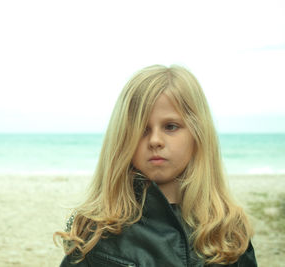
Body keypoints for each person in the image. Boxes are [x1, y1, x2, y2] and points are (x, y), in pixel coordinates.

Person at [54, 65, 257, 266]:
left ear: (198, 134)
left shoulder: (227, 228)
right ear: (123, 138)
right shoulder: (96, 230)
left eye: (171, 127)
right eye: (142, 129)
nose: (155, 140)